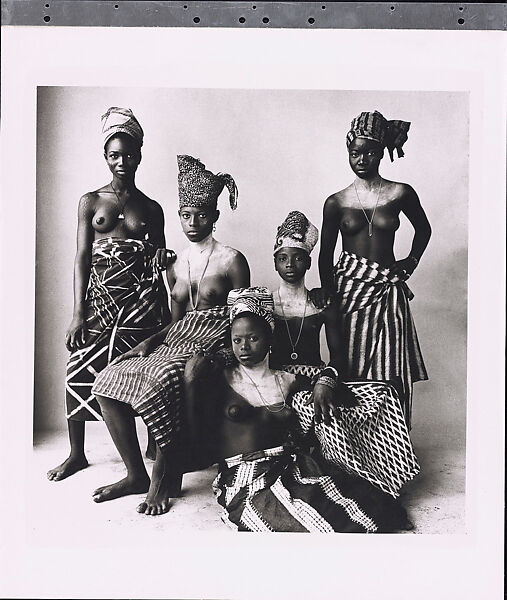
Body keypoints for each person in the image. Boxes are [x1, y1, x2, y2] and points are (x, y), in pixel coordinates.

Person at [91, 155, 250, 515]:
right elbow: (174, 321)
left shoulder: (231, 260)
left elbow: (245, 319)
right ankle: (135, 474)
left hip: (216, 343)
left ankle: (163, 476)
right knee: (107, 377)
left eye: (202, 215)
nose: (193, 223)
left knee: (162, 380)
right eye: (185, 214)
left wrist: (218, 352)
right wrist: (147, 343)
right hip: (176, 341)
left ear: (215, 216)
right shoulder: (176, 262)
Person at [184, 287, 411, 532]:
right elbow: (195, 433)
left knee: (347, 501)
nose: (244, 347)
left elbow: (336, 385)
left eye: (253, 338)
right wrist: (190, 382)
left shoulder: (287, 379)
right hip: (244, 473)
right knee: (279, 516)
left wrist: (324, 384)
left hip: (287, 465)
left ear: (270, 337)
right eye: (237, 340)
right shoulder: (222, 379)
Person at [47, 107, 174, 482]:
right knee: (79, 370)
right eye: (114, 155)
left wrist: (165, 307)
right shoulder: (91, 201)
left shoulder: (151, 208)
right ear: (105, 156)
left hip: (141, 304)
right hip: (101, 300)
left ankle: (153, 442)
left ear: (140, 154)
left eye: (129, 154)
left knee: (143, 372)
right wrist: (77, 313)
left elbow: (160, 259)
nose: (123, 161)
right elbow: (81, 257)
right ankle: (76, 454)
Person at [271, 211, 419, 498]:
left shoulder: (322, 302)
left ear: (310, 262)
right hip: (278, 381)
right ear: (275, 262)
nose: (291, 265)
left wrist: (326, 381)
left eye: (299, 258)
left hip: (316, 381)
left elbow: (338, 357)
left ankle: (376, 477)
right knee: (313, 414)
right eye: (283, 258)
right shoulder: (263, 302)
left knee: (382, 395)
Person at [316, 110, 431, 427]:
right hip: (350, 290)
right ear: (348, 153)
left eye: (369, 152)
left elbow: (424, 229)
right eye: (355, 153)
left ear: (381, 152)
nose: (362, 159)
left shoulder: (400, 193)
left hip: (386, 293)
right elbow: (326, 255)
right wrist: (330, 294)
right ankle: (355, 451)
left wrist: (410, 262)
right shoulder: (336, 202)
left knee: (390, 368)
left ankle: (391, 450)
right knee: (348, 365)